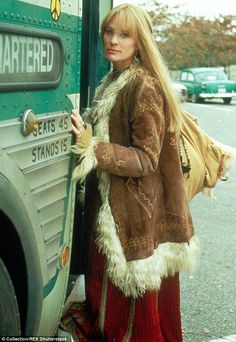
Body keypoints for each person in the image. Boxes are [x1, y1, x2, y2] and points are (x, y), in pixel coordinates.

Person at [60, 4, 235, 341]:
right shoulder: (116, 78)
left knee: (134, 317)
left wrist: (92, 147)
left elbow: (145, 159)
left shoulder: (143, 87)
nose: (113, 40)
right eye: (109, 32)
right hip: (119, 208)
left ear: (139, 41)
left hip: (136, 216)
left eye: (124, 34)